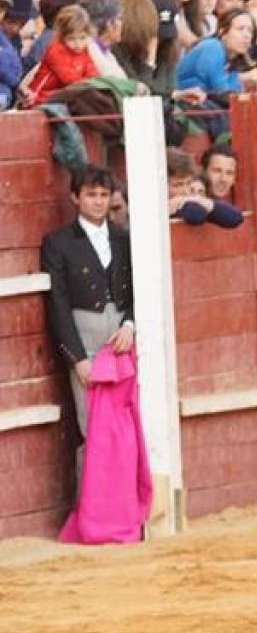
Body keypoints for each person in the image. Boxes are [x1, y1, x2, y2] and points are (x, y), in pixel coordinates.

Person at [41, 166, 135, 471]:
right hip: (86, 338)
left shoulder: (123, 239)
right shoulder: (58, 243)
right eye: (91, 195)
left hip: (121, 338)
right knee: (92, 427)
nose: (98, 201)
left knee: (128, 424)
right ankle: (93, 512)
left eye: (104, 195)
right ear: (75, 198)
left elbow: (139, 289)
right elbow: (58, 303)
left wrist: (130, 325)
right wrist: (77, 357)